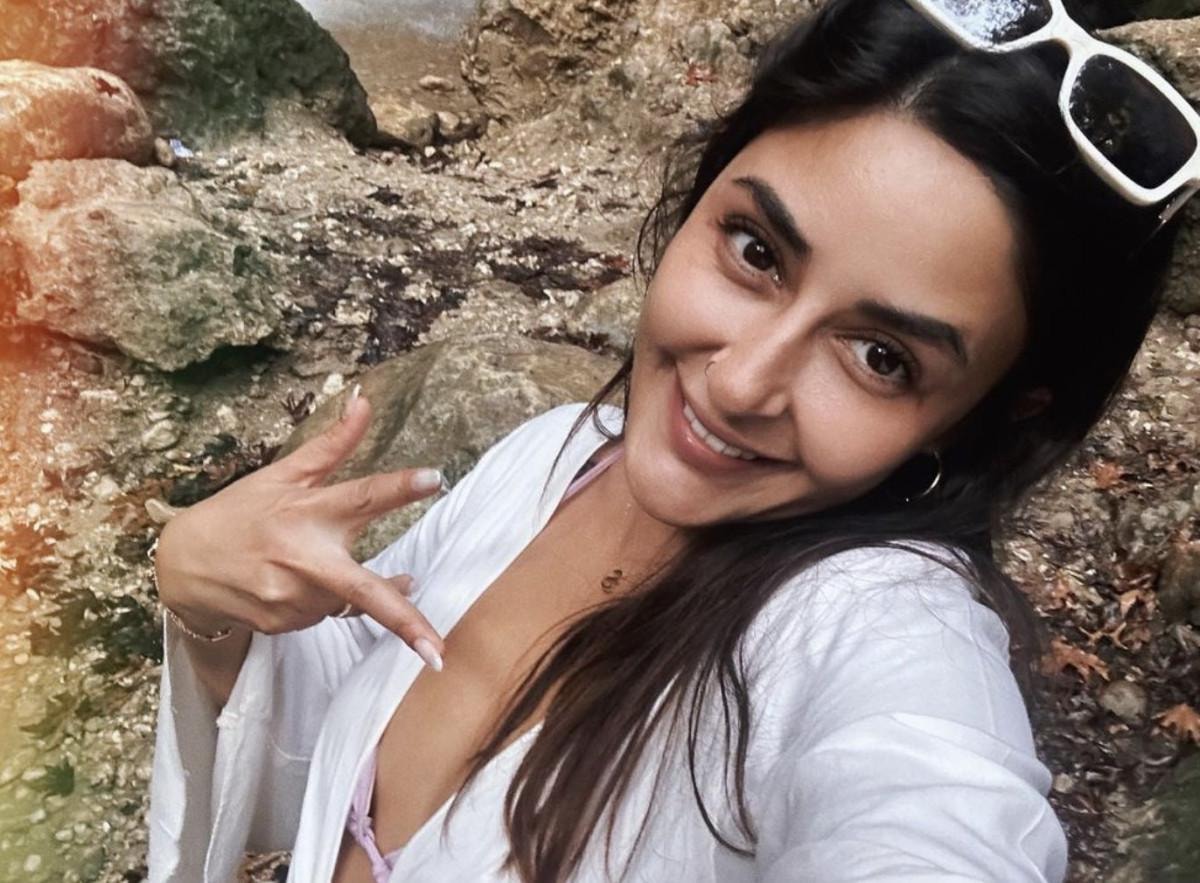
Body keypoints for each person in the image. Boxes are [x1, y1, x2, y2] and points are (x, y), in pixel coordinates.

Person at [146, 0, 1194, 880]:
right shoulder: (556, 457)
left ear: (989, 413)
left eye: (882, 357)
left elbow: (936, 816)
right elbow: (337, 740)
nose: (740, 382)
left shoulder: (879, 637)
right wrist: (212, 600)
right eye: (757, 251)